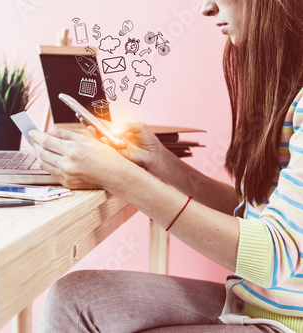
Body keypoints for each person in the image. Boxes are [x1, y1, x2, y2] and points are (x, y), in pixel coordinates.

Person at [30, 0, 303, 332]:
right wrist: (161, 162)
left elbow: (273, 256)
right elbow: (254, 210)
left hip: (285, 322)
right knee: (74, 298)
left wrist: (120, 177)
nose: (207, 8)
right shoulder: (287, 92)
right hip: (250, 301)